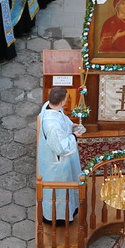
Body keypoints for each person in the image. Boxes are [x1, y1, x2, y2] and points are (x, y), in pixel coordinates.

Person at [36, 86, 81, 223]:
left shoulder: (48, 107)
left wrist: (71, 125)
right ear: (62, 102)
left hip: (50, 155)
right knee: (60, 189)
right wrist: (74, 136)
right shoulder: (53, 126)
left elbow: (63, 118)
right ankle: (58, 217)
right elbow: (61, 149)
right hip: (57, 164)